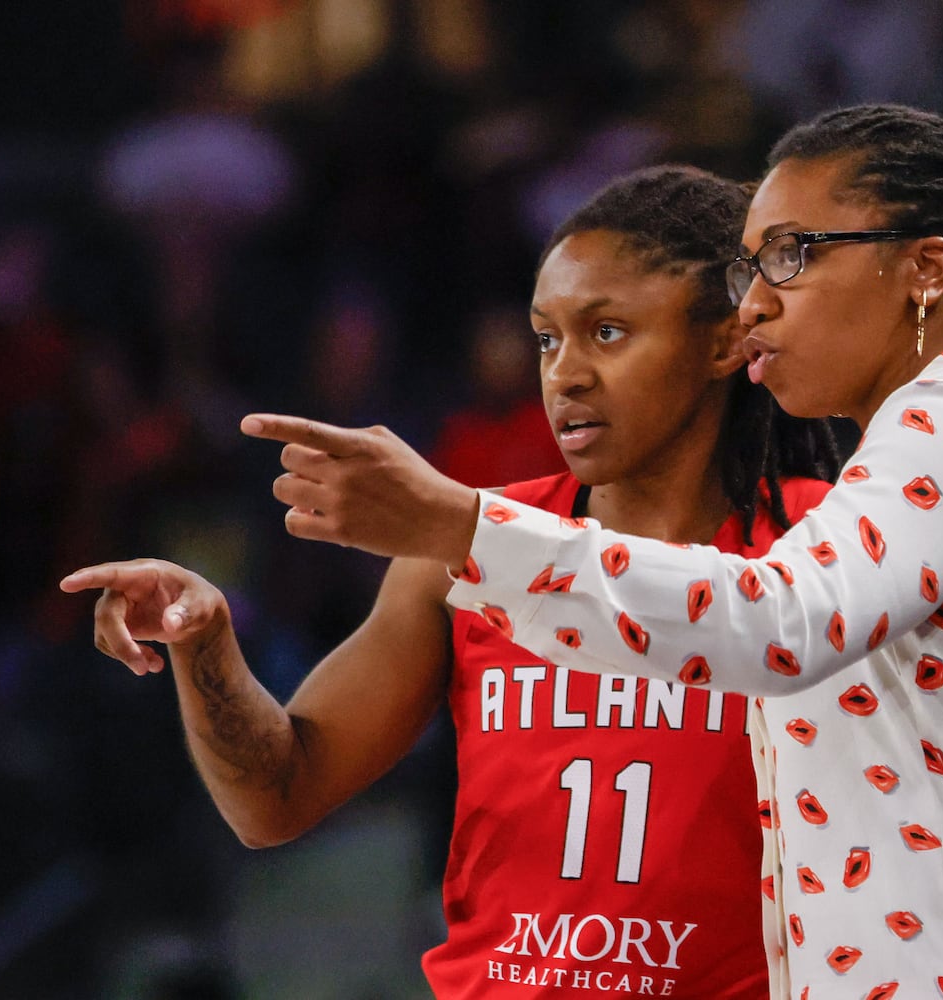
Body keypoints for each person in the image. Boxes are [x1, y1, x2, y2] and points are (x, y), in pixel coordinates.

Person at [240, 105, 943, 998]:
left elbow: (776, 622)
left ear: (925, 271)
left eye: (793, 254)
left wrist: (461, 527)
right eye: (752, 263)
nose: (755, 301)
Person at [62, 164, 840, 997]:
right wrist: (207, 644)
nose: (564, 374)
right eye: (548, 337)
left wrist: (460, 524)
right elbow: (274, 796)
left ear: (726, 341)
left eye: (607, 332)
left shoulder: (832, 549)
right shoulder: (457, 563)